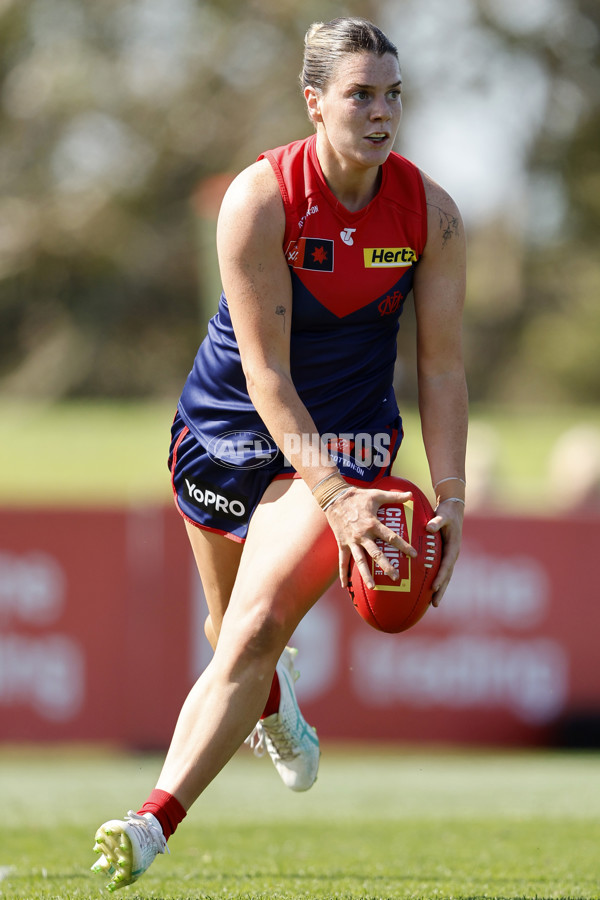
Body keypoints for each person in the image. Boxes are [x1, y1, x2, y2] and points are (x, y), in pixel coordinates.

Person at [91, 16, 467, 892]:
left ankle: (150, 824)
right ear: (314, 103)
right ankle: (272, 703)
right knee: (232, 638)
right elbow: (265, 376)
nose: (381, 114)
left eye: (393, 96)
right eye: (360, 96)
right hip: (228, 433)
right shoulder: (261, 199)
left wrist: (448, 497)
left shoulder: (433, 215)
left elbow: (443, 368)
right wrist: (336, 502)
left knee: (255, 630)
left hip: (345, 441)